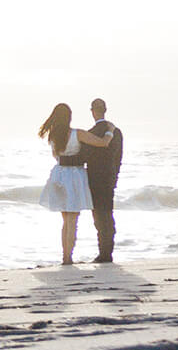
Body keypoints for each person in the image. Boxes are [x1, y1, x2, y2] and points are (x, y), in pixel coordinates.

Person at [36, 103, 113, 265]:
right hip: (74, 175)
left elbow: (55, 156)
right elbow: (103, 143)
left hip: (59, 174)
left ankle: (65, 257)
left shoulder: (53, 137)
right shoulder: (78, 134)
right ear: (69, 117)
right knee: (73, 220)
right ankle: (68, 258)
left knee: (65, 220)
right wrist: (110, 131)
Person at [81, 97, 123, 263]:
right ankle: (108, 252)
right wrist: (115, 176)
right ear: (105, 110)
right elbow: (118, 157)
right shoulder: (116, 132)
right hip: (109, 178)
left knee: (99, 217)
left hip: (94, 179)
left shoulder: (90, 133)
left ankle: (103, 253)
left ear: (92, 111)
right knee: (108, 215)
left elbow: (84, 157)